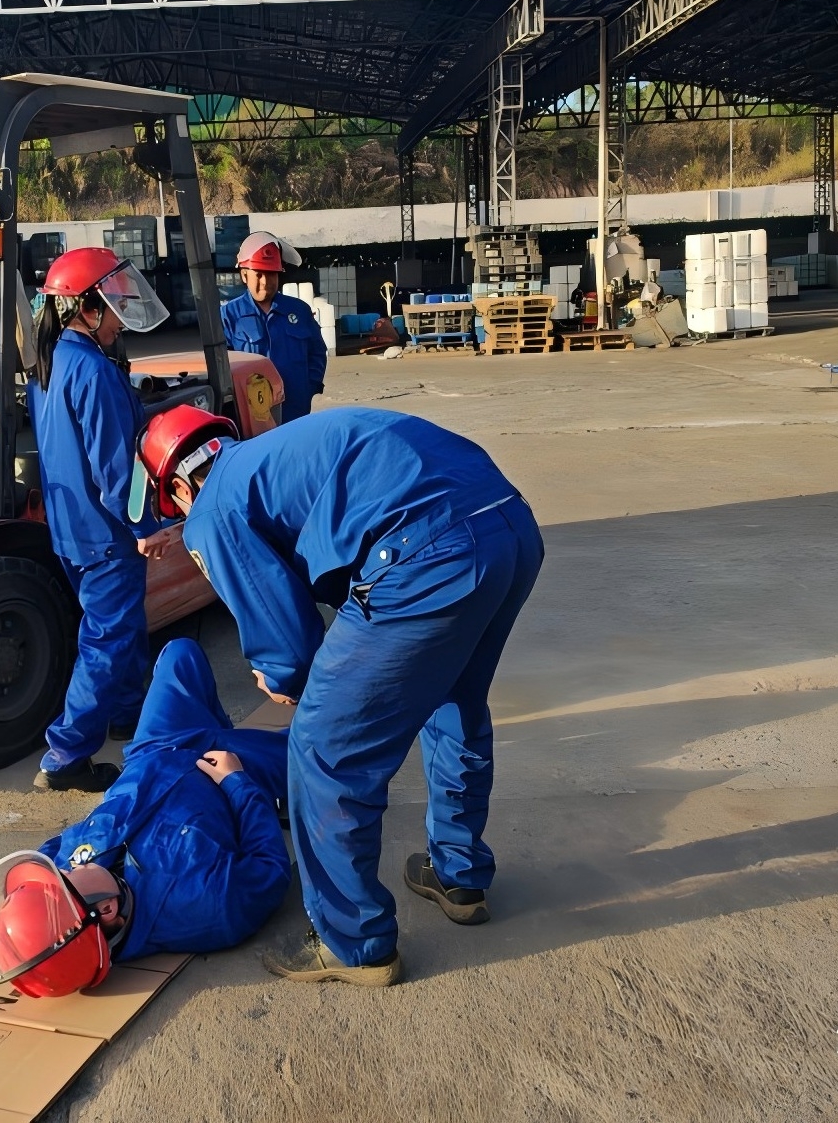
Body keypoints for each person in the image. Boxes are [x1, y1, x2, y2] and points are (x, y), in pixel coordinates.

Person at [136, 404, 544, 987]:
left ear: (178, 486)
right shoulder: (268, 457)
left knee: (323, 749)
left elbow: (287, 644)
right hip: (507, 522)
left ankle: (353, 941)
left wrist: (285, 680)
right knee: (454, 700)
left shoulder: (212, 508)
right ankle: (458, 874)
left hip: (424, 551)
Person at [0, 638, 291, 995]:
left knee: (179, 653)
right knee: (325, 748)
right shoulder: (208, 906)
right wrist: (237, 782)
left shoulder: (74, 885)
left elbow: (50, 861)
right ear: (108, 909)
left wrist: (22, 917)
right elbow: (269, 867)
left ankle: (219, 729)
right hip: (231, 769)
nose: (66, 868)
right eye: (66, 878)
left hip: (155, 748)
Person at [27, 247, 170, 792]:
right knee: (106, 642)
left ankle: (128, 714)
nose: (120, 321)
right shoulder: (94, 371)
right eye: (113, 309)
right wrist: (144, 527)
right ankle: (65, 756)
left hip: (70, 529)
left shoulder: (50, 364)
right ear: (87, 308)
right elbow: (114, 468)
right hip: (107, 533)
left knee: (122, 627)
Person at [220, 232, 326, 422]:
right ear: (244, 275)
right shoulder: (228, 315)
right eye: (259, 274)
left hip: (296, 412)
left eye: (271, 274)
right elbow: (221, 366)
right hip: (252, 416)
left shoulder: (299, 311)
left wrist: (309, 387)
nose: (265, 282)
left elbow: (317, 352)